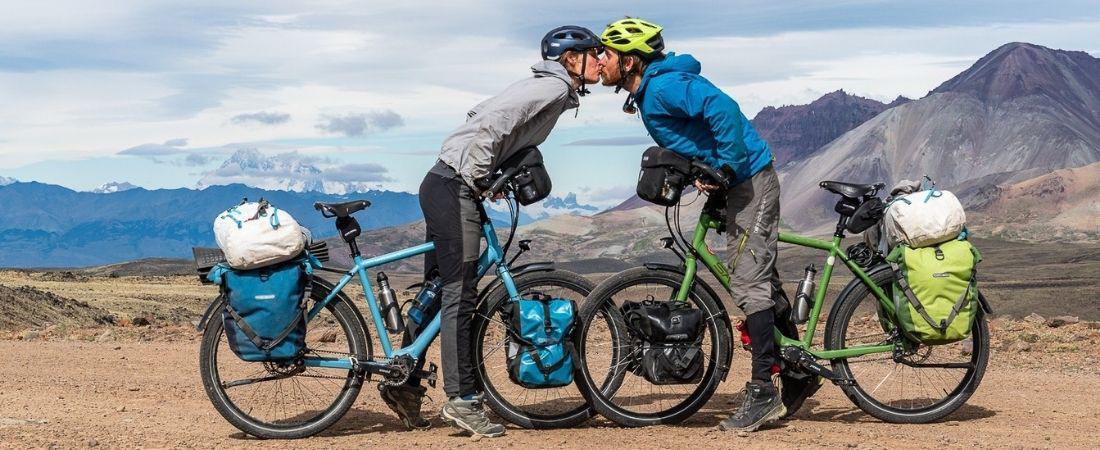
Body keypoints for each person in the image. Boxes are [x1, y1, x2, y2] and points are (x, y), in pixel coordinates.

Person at [377, 25, 603, 438]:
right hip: (454, 186)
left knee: (438, 288)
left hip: (444, 181)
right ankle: (462, 400)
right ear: (572, 58)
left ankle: (403, 384)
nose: (601, 60)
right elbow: (491, 125)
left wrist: (483, 173)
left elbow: (478, 114)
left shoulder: (545, 87)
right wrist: (478, 176)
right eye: (594, 53)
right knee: (460, 295)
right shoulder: (551, 89)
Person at [596, 17, 817, 432]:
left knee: (749, 281)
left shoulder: (662, 86)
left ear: (630, 60)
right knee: (754, 275)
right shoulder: (649, 90)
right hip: (732, 182)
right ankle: (797, 372)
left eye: (606, 53)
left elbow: (723, 109)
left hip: (748, 177)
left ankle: (763, 392)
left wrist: (728, 167)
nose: (599, 61)